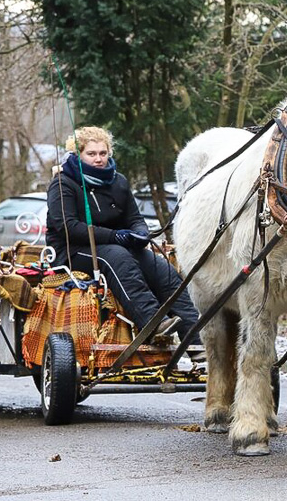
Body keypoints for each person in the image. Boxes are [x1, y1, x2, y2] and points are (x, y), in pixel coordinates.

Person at [46, 126, 205, 362]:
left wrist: (140, 233)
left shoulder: (118, 181)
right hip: (74, 251)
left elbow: (134, 218)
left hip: (117, 247)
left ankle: (197, 342)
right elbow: (68, 227)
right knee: (118, 258)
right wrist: (115, 236)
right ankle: (154, 324)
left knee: (163, 271)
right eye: (91, 154)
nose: (98, 159)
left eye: (103, 153)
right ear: (78, 155)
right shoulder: (63, 184)